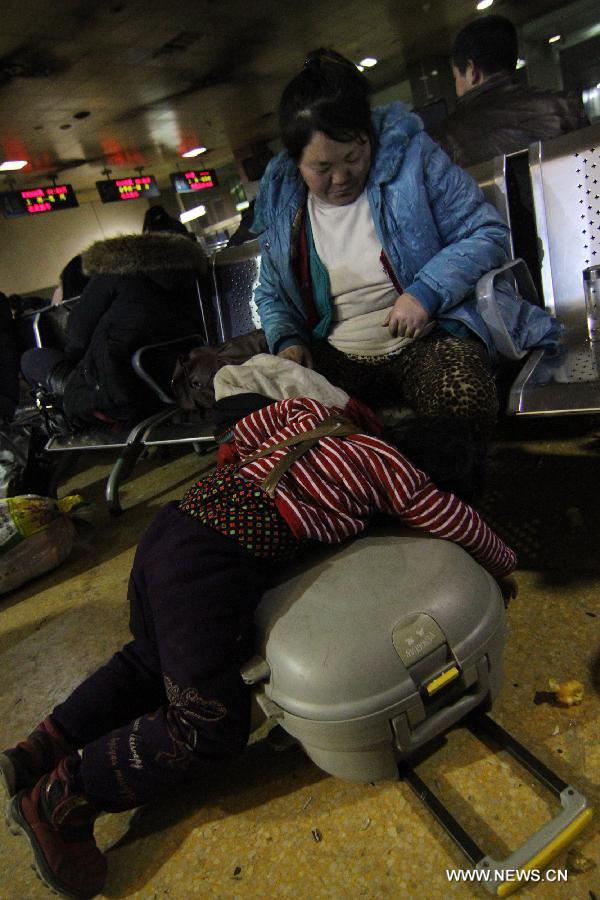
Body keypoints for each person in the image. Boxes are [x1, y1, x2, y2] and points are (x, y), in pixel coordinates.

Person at [0, 390, 517, 899]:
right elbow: (451, 519)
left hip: (173, 527)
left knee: (152, 658)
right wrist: (502, 568)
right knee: (208, 723)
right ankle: (61, 799)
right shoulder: (392, 467)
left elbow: (242, 430)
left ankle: (43, 746)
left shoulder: (320, 416)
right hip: (209, 567)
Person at [252, 48, 557, 459]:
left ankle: (433, 502)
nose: (340, 178)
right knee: (291, 432)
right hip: (338, 353)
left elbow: (484, 232)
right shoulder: (283, 202)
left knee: (462, 404)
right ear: (296, 162)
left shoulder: (413, 159)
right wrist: (287, 338)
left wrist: (425, 293)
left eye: (354, 157)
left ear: (370, 138)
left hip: (427, 338)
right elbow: (271, 293)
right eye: (321, 169)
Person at [20, 232, 206, 428]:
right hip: (186, 380)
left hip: (120, 392)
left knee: (32, 358)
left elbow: (76, 339)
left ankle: (66, 415)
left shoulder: (113, 275)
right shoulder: (188, 277)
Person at [431, 15, 589, 169]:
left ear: (472, 71)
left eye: (456, 77)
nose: (457, 86)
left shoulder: (445, 138)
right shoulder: (565, 107)